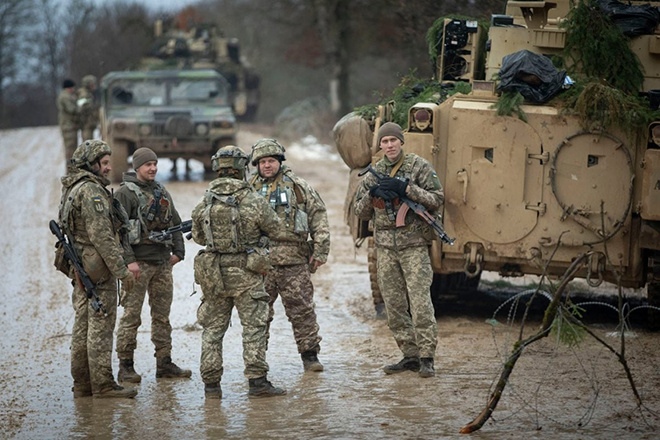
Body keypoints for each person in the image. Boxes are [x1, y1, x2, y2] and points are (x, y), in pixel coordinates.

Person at [191, 145, 287, 399]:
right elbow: (276, 229)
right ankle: (257, 383)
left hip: (214, 274)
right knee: (254, 328)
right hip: (247, 273)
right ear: (242, 168)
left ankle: (211, 386)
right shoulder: (253, 200)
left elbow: (199, 237)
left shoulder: (205, 201)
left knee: (212, 331)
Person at [354, 122, 443, 378]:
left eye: (393, 140)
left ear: (401, 142)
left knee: (420, 302)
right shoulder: (373, 174)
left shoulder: (418, 166)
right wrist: (373, 195)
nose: (389, 145)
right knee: (393, 306)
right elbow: (360, 212)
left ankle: (427, 357)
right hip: (385, 249)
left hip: (413, 246)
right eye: (385, 141)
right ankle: (410, 355)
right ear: (380, 145)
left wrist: (407, 190)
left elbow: (437, 199)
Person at [57, 140, 140, 398]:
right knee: (100, 327)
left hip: (81, 266)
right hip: (96, 269)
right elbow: (103, 237)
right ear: (90, 164)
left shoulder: (72, 187)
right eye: (103, 163)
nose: (108, 167)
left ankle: (83, 384)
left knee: (82, 327)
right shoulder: (92, 192)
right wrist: (122, 271)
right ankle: (103, 385)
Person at [249, 139, 330, 372]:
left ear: (280, 162)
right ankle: (256, 360)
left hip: (294, 261)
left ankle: (310, 356)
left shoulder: (298, 187)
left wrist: (321, 250)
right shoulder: (248, 190)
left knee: (302, 310)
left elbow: (319, 217)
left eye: (271, 161)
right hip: (260, 262)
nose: (267, 165)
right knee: (258, 314)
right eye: (262, 162)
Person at [114, 147, 191, 383]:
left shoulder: (160, 190)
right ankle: (126, 366)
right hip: (138, 266)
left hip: (162, 263)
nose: (153, 168)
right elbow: (118, 233)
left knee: (162, 317)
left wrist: (178, 253)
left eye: (155, 164)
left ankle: (164, 363)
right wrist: (129, 261)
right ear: (137, 167)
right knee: (131, 317)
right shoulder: (124, 194)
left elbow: (175, 222)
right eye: (148, 164)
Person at [57, 79, 80, 161]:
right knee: (70, 150)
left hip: (70, 126)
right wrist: (80, 107)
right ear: (69, 87)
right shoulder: (65, 97)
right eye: (72, 87)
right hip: (68, 127)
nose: (73, 89)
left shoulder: (66, 96)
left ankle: (72, 167)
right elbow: (71, 109)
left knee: (73, 149)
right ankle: (70, 168)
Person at [77, 75, 100, 141]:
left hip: (89, 123)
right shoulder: (84, 94)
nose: (94, 86)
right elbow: (82, 108)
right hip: (86, 123)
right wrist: (94, 107)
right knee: (87, 142)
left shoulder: (89, 93)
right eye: (92, 84)